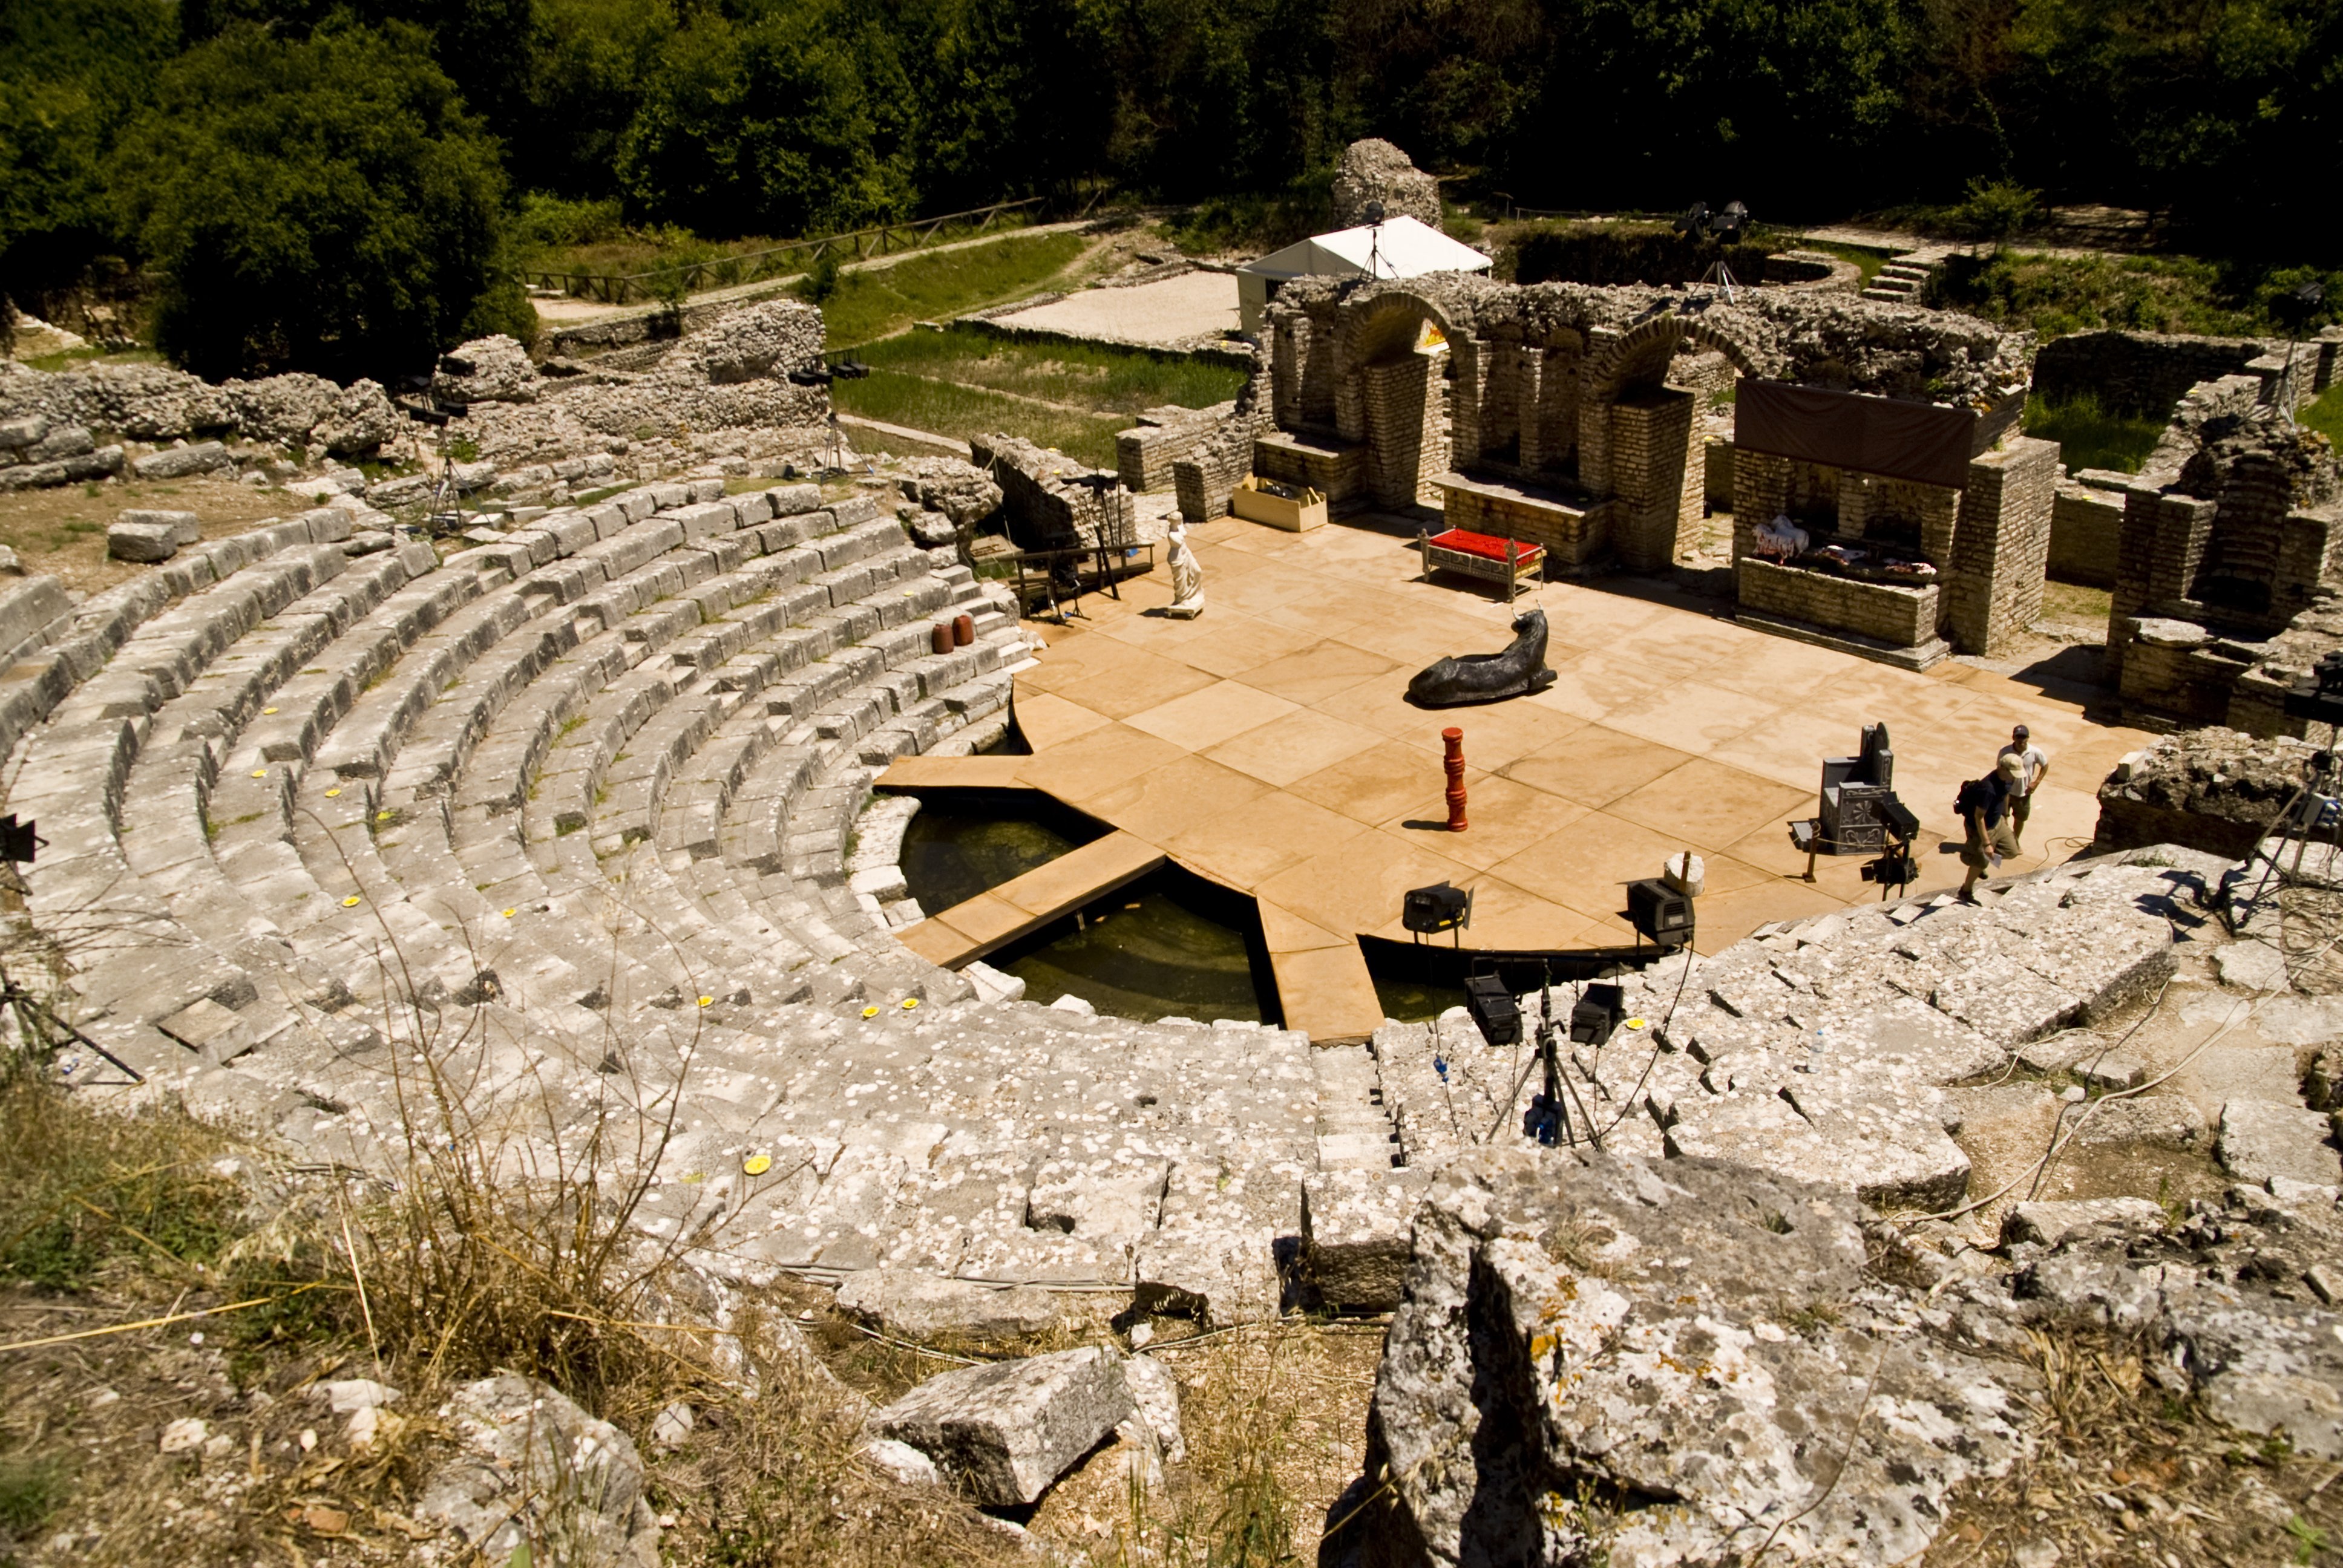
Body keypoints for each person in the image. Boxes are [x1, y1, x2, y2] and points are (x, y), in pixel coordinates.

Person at [1955, 765, 2015, 901]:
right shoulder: (1987, 789)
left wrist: (2005, 815)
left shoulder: (2009, 779)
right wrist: (1987, 844)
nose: (2015, 777)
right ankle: (1966, 890)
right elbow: (1979, 817)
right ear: (2002, 769)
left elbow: (2005, 795)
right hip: (1981, 828)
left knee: (2012, 851)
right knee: (1980, 863)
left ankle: (1979, 859)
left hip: (1997, 822)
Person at [1997, 725, 2050, 852]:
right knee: (2002, 818)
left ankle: (2015, 841)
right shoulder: (2005, 751)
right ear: (2013, 738)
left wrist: (2036, 782)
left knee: (2020, 819)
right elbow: (1999, 769)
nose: (2021, 740)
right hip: (2006, 792)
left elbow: (2045, 765)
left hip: (2024, 793)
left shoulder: (2035, 752)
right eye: (2018, 737)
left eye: (2024, 737)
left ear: (2028, 738)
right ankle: (2002, 842)